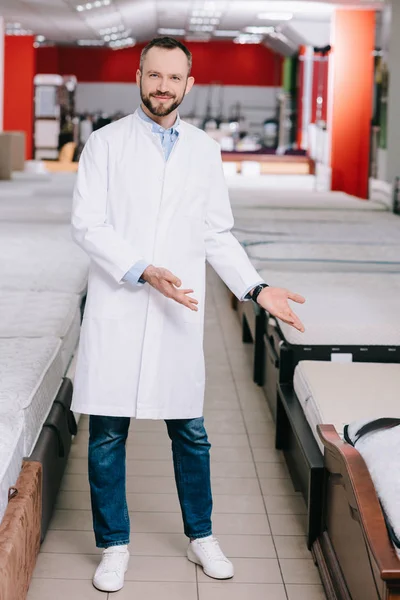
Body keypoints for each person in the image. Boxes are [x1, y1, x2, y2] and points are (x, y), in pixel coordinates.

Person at [71, 36, 305, 593]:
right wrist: (143, 269)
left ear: (189, 85)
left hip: (180, 312)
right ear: (139, 77)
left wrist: (257, 287)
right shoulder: (104, 145)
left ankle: (201, 536)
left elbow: (214, 232)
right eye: (154, 75)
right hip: (122, 303)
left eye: (174, 78)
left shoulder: (204, 150)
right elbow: (87, 224)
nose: (163, 86)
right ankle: (114, 545)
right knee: (106, 434)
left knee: (191, 432)